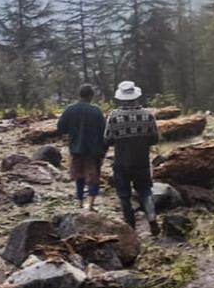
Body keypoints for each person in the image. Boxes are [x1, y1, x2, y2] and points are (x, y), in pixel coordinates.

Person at [104, 80, 159, 232]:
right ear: (136, 96)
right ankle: (151, 216)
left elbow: (107, 139)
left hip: (121, 161)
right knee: (145, 190)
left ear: (120, 98)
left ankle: (131, 226)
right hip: (142, 160)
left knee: (124, 195)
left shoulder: (114, 116)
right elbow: (155, 139)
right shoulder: (148, 115)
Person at [57, 83, 107, 210]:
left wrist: (72, 131)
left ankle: (79, 201)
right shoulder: (96, 110)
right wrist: (104, 148)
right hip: (94, 150)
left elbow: (61, 128)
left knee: (79, 175)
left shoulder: (70, 109)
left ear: (79, 95)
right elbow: (104, 130)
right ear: (91, 96)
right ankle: (90, 204)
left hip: (76, 148)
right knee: (93, 177)